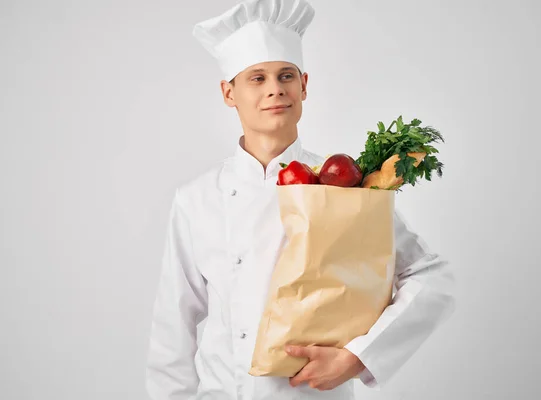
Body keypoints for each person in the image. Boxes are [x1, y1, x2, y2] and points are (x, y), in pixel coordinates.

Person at [144, 0, 456, 399]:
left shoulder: (346, 183)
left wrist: (358, 357)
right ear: (228, 93)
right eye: (256, 78)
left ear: (304, 85)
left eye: (285, 75)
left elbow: (432, 277)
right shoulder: (197, 198)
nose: (275, 88)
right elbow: (173, 328)